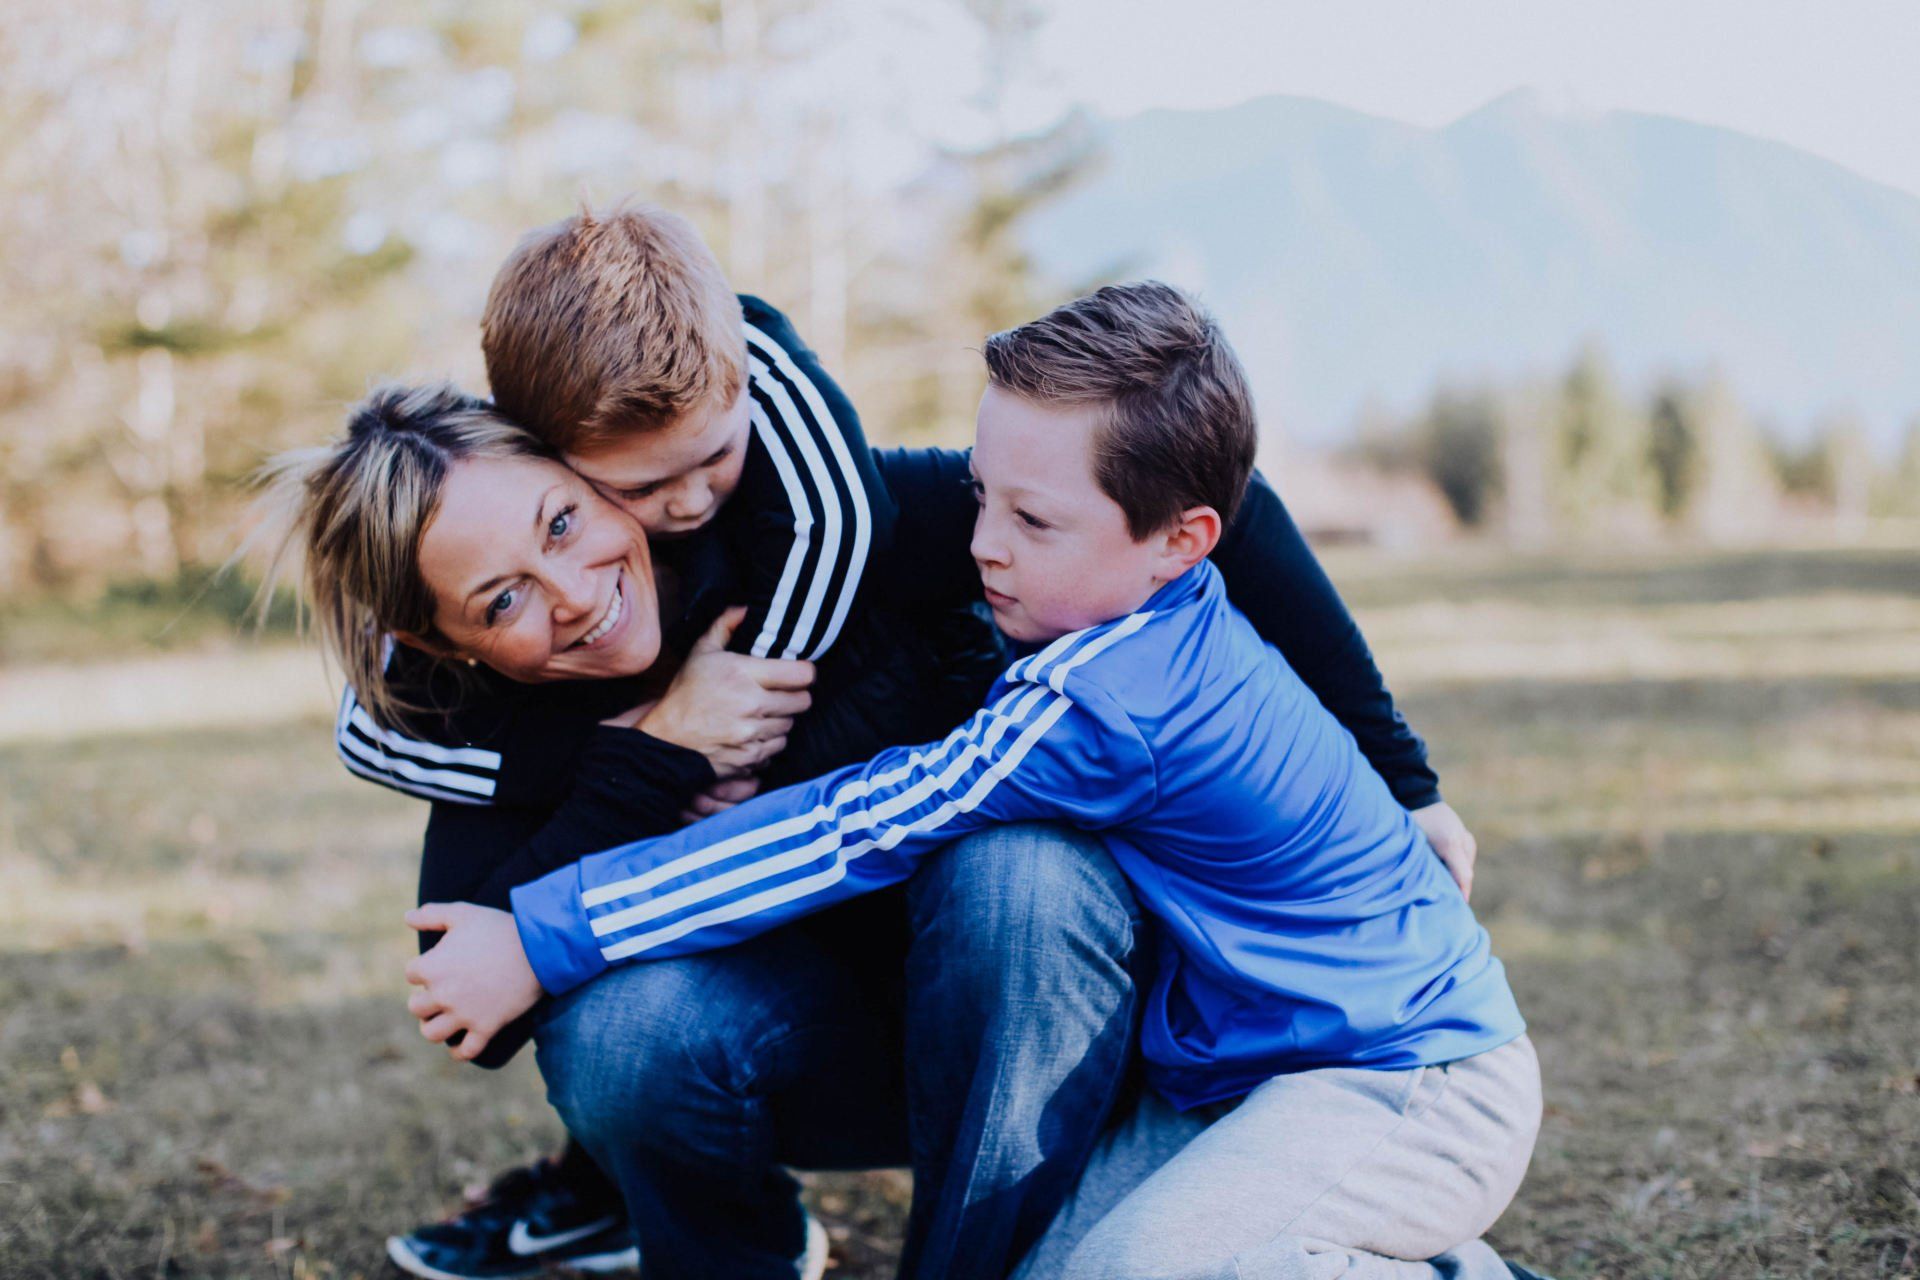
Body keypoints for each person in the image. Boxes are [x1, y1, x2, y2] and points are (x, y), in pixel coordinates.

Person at [323, 204, 1483, 1278]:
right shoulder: (500, 712)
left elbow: (1219, 510)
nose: (573, 590)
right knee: (618, 1033)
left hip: (1030, 1019)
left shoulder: (848, 529)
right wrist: (652, 755)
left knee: (1022, 873)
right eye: (504, 598)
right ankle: (730, 1241)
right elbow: (486, 986)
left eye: (565, 525)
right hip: (804, 1042)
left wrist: (1404, 778)